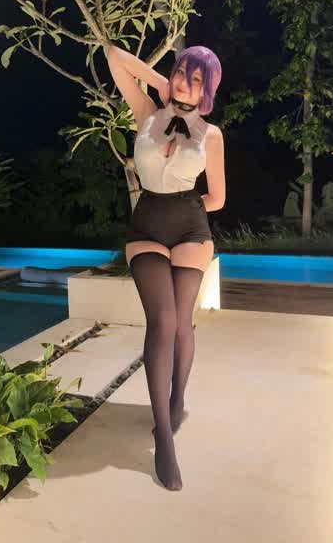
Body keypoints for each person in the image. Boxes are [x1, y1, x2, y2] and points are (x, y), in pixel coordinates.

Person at [105, 43, 225, 491]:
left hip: (191, 227)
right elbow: (114, 56)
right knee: (163, 320)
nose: (185, 83)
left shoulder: (211, 135)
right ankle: (164, 440)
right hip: (147, 226)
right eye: (181, 73)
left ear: (207, 89)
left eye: (196, 79)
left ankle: (177, 400)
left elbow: (218, 198)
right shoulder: (147, 114)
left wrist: (188, 208)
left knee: (182, 323)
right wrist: (162, 84)